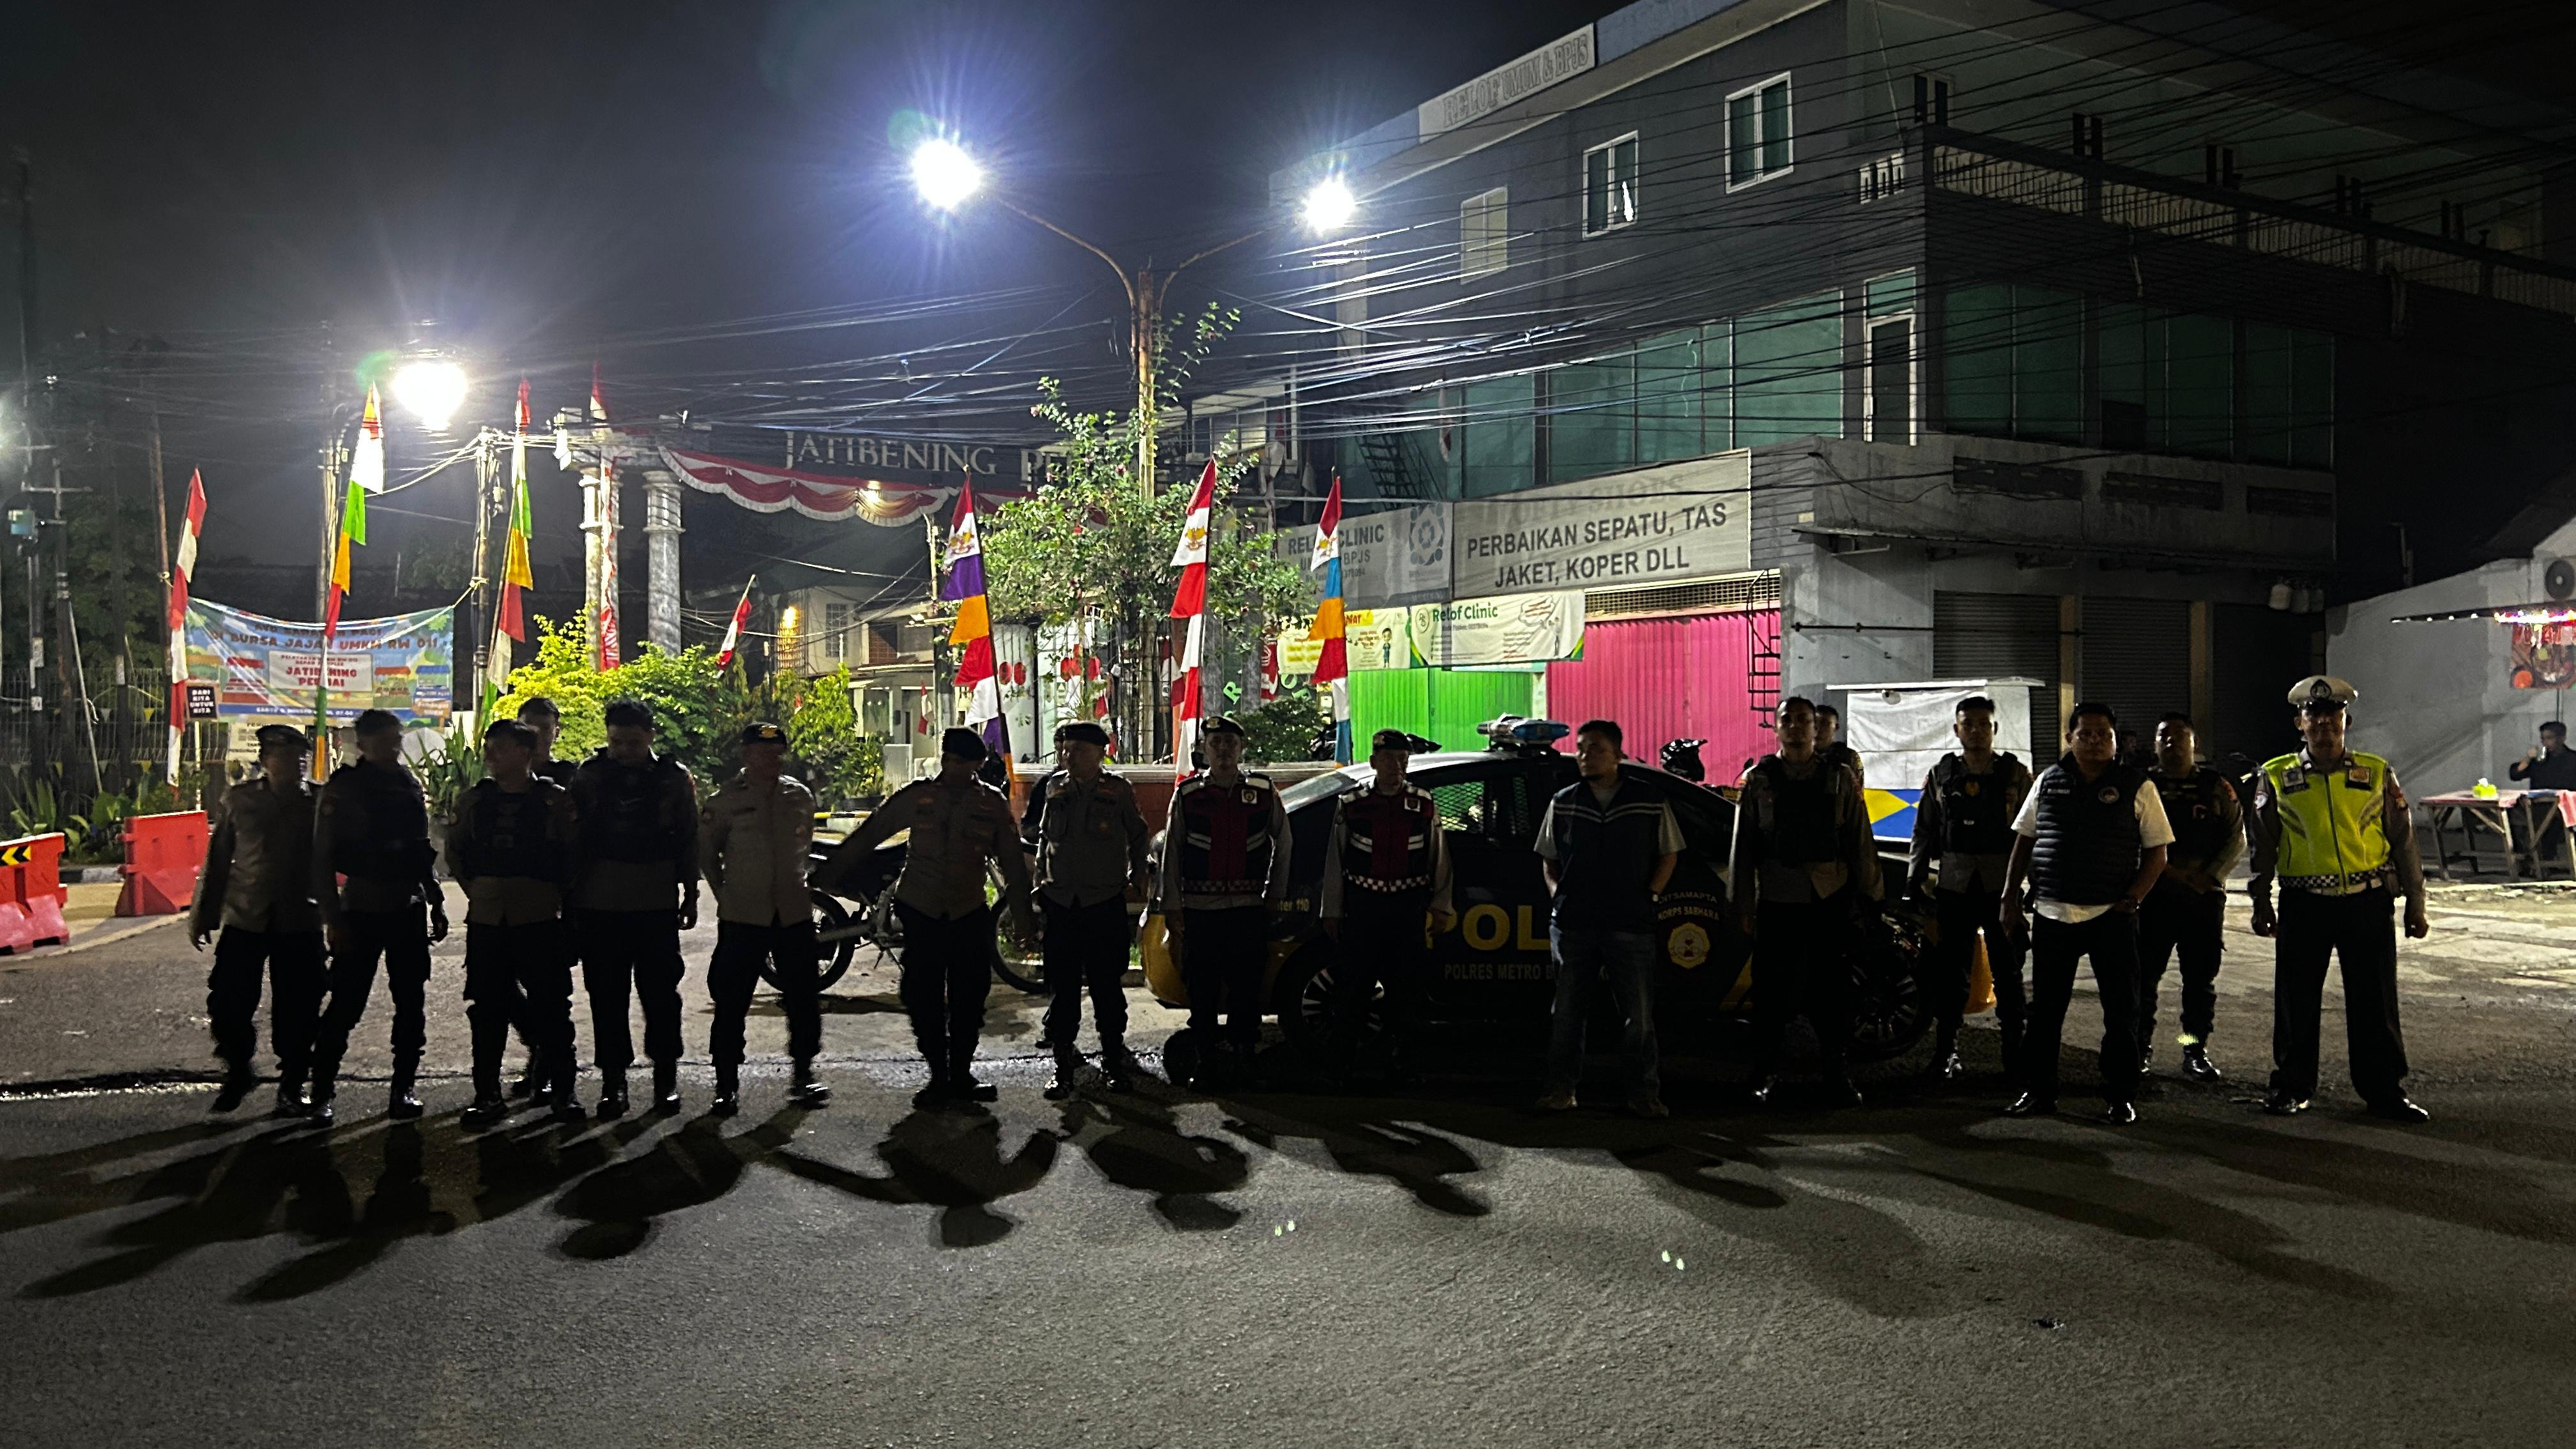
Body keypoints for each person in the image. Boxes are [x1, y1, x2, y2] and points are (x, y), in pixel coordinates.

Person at [2248, 676, 2432, 1121]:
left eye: (2333, 715)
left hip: (2367, 902)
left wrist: (2416, 900)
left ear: (2346, 721)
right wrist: (2260, 900)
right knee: (2296, 1000)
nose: (2324, 723)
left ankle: (2384, 1091)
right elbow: (2262, 845)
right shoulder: (2276, 775)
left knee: (2375, 1001)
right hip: (2303, 903)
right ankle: (2292, 1086)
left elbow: (2403, 840)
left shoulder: (2376, 772)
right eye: (2313, 716)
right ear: (2300, 723)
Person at [828, 726, 1036, 1108]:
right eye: (949, 760)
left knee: (969, 997)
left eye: (962, 763)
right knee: (921, 996)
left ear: (977, 765)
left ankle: (961, 1074)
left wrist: (1023, 919)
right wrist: (831, 872)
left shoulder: (991, 804)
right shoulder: (918, 796)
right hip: (920, 909)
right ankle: (938, 1075)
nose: (953, 768)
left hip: (967, 910)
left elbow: (1011, 863)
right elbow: (872, 832)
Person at [2000, 703, 2172, 1124]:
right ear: (2069, 738)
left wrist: (2133, 899)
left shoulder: (2137, 786)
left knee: (2121, 1012)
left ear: (2115, 742)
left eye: (2103, 735)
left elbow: (2158, 853)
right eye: (2086, 734)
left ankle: (2120, 1096)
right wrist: (2009, 898)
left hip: (2111, 916)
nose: (2095, 741)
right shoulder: (2048, 781)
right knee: (2045, 1012)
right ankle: (2039, 1091)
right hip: (2052, 913)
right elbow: (2024, 841)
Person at [1735, 697, 1882, 1109]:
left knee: (1833, 993)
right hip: (1778, 898)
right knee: (1771, 993)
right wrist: (1743, 905)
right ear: (1776, 728)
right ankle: (1765, 1073)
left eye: (1805, 720)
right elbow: (1743, 848)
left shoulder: (1839, 778)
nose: (1796, 727)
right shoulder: (1759, 781)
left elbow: (1860, 839)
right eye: (1788, 720)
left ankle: (1836, 1074)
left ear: (1817, 729)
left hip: (1828, 898)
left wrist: (1871, 898)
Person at [307, 709, 449, 1126]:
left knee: (411, 1003)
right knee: (346, 1005)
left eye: (396, 739)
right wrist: (333, 918)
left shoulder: (407, 783)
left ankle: (404, 1087)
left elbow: (420, 848)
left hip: (406, 906)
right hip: (362, 907)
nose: (393, 747)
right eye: (385, 740)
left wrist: (435, 899)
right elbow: (322, 858)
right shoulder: (344, 788)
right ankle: (322, 1091)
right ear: (364, 743)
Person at [1534, 718, 1682, 1118]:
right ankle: (1560, 1091)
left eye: (1596, 748)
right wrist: (1558, 897)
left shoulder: (1648, 800)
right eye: (1581, 749)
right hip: (1574, 924)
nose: (1585, 756)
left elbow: (1669, 853)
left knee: (1639, 1018)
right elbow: (1548, 858)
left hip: (1630, 922)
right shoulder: (1564, 801)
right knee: (1567, 1015)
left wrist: (1651, 895)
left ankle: (1643, 1096)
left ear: (1618, 754)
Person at [448, 719, 584, 1128]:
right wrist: (481, 892)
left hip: (538, 917)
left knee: (552, 1008)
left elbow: (574, 858)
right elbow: (457, 855)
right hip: (488, 919)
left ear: (526, 753)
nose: (491, 755)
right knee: (487, 1010)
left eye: (501, 748)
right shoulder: (475, 801)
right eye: (489, 747)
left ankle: (564, 1093)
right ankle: (487, 1096)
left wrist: (561, 905)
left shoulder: (554, 801)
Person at [567, 698, 700, 1117]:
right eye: (617, 742)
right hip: (600, 903)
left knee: (661, 996)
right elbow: (573, 842)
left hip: (654, 902)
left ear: (651, 737)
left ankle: (666, 1080)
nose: (624, 750)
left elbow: (689, 839)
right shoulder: (589, 776)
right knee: (607, 997)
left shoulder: (673, 778)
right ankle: (613, 1083)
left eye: (634, 742)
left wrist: (691, 893)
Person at [190, 724, 325, 1117]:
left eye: (300, 757)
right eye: (284, 757)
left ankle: (292, 1084)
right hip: (246, 915)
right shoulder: (241, 800)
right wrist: (204, 915)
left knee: (300, 1007)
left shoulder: (320, 802)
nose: (295, 764)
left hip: (300, 918)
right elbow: (218, 860)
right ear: (266, 761)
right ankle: (238, 1070)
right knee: (228, 1003)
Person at [702, 721, 829, 1114]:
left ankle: (804, 1074)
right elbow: (707, 855)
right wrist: (725, 894)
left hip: (793, 914)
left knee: (803, 998)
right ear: (746, 754)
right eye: (762, 752)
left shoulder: (799, 796)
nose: (771, 759)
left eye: (776, 753)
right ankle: (726, 1084)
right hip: (744, 915)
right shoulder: (726, 800)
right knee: (732, 1000)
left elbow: (803, 848)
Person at [1019, 719, 1151, 1099]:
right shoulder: (1054, 788)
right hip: (1061, 902)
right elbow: (1045, 840)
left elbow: (1139, 834)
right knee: (1062, 988)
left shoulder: (1118, 790)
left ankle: (1113, 1059)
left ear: (1099, 753)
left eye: (1078, 750)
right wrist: (1039, 883)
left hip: (1102, 902)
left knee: (1107, 986)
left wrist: (1138, 874)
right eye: (1065, 749)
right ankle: (1063, 1065)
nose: (1068, 756)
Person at [1157, 714, 1291, 1089]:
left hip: (1248, 909)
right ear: (1204, 749)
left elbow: (1285, 842)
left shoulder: (1262, 791)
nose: (1223, 750)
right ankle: (1207, 1060)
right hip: (1201, 911)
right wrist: (1172, 904)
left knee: (1246, 987)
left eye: (1230, 743)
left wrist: (1276, 892)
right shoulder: (1188, 794)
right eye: (1215, 743)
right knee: (1202, 989)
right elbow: (1172, 851)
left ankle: (1246, 1058)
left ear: (1241, 748)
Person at [1319, 728, 1458, 1084]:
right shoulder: (1352, 804)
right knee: (1354, 990)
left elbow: (1439, 857)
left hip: (1407, 909)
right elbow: (1335, 861)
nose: (1396, 766)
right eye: (1388, 759)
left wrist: (1441, 905)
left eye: (1402, 759)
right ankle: (1340, 1065)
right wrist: (1331, 910)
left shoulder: (1423, 803)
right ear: (1373, 762)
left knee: (1405, 991)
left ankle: (1402, 1063)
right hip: (1364, 909)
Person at [1906, 695, 2034, 1082]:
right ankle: (1946, 1052)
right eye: (1968, 724)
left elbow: (2034, 832)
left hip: (2002, 888)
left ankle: (2015, 1055)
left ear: (1995, 729)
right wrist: (1914, 877)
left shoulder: (2016, 775)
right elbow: (1924, 829)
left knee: (2008, 973)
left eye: (1983, 724)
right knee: (1951, 975)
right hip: (1955, 886)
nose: (1976, 731)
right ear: (1956, 729)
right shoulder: (1942, 774)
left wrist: (2034, 884)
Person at [2140, 713, 2242, 1082]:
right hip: (2152, 897)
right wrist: (2167, 874)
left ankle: (2193, 1049)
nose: (2172, 742)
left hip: (2202, 898)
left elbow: (2236, 838)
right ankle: (2140, 1049)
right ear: (2155, 744)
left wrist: (2209, 876)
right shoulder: (2143, 785)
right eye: (2164, 735)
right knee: (2143, 980)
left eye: (2180, 736)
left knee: (2198, 982)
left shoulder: (2215, 786)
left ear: (2194, 743)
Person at [507, 694, 577, 1100]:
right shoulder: (502, 776)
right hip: (506, 901)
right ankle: (538, 1047)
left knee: (549, 991)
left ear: (556, 732)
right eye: (529, 726)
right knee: (500, 986)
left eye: (545, 728)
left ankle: (547, 1070)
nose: (537, 734)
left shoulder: (569, 777)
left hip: (554, 901)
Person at [2508, 721, 2576, 790]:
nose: (2545, 742)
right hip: (2539, 797)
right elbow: (2515, 775)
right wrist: (2528, 758)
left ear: (2562, 738)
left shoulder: (2573, 759)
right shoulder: (2539, 759)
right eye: (2543, 739)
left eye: (2550, 738)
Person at [1814, 703, 1865, 790]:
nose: (1818, 729)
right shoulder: (1801, 755)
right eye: (1814, 723)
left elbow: (1858, 791)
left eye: (1825, 723)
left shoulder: (1849, 756)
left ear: (1836, 727)